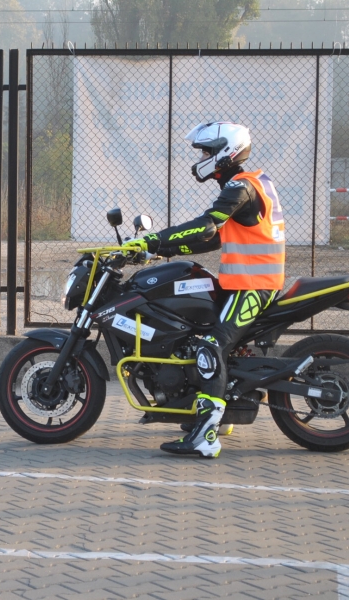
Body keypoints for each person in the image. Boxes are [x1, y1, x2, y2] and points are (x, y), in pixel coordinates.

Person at [123, 121, 285, 458]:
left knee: (211, 345)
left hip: (254, 286)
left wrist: (153, 239)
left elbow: (205, 225)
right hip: (245, 283)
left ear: (226, 152)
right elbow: (211, 239)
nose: (201, 158)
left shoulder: (240, 187)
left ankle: (206, 437)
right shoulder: (252, 183)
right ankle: (219, 414)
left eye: (205, 152)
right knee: (201, 338)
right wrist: (160, 250)